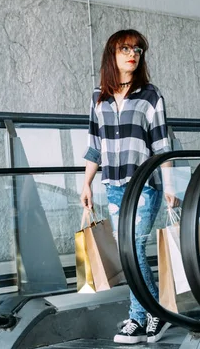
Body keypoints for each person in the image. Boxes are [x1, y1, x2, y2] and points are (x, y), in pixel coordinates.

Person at [80, 29, 178, 344]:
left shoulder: (150, 95)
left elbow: (162, 144)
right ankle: (149, 315)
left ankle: (145, 316)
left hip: (144, 187)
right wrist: (86, 184)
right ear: (112, 53)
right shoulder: (98, 96)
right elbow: (95, 145)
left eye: (137, 49)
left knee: (134, 249)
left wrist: (170, 183)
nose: (133, 54)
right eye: (125, 48)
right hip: (113, 188)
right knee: (127, 253)